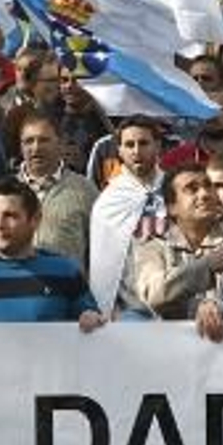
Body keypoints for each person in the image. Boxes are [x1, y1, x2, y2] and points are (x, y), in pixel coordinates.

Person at [0, 178, 104, 335]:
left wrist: (90, 317)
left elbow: (91, 317)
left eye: (10, 215)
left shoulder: (66, 272)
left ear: (35, 220)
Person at [119, 163, 223, 335]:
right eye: (192, 189)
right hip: (168, 347)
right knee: (129, 319)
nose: (204, 194)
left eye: (208, 186)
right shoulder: (152, 243)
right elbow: (152, 292)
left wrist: (219, 307)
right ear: (171, 207)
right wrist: (205, 267)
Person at [87, 116, 166, 311]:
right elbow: (102, 264)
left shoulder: (177, 190)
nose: (136, 151)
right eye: (129, 145)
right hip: (128, 310)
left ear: (158, 146)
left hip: (175, 303)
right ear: (120, 151)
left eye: (144, 143)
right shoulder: (108, 202)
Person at [14, 111, 98, 268]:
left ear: (60, 143)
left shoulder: (85, 190)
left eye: (44, 140)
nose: (36, 147)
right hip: (17, 288)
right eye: (29, 141)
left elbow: (100, 250)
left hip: (67, 289)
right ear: (21, 146)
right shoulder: (5, 191)